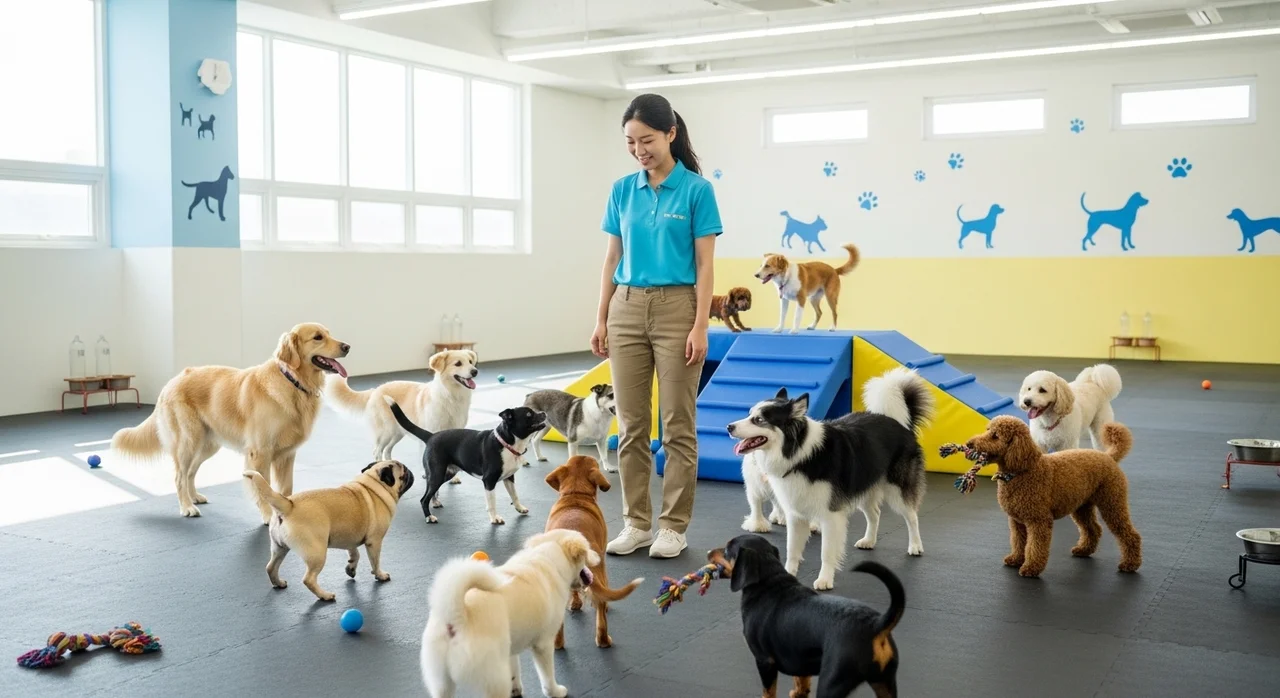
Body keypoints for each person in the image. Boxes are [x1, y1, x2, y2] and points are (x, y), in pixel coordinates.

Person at [591, 93, 721, 558]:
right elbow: (612, 257)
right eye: (630, 141)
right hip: (625, 307)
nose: (638, 149)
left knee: (677, 425)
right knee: (629, 425)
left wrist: (700, 325)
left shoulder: (696, 191)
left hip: (677, 308)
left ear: (670, 134)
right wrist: (602, 316)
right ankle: (636, 522)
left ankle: (673, 525)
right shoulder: (622, 190)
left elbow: (705, 266)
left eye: (646, 139)